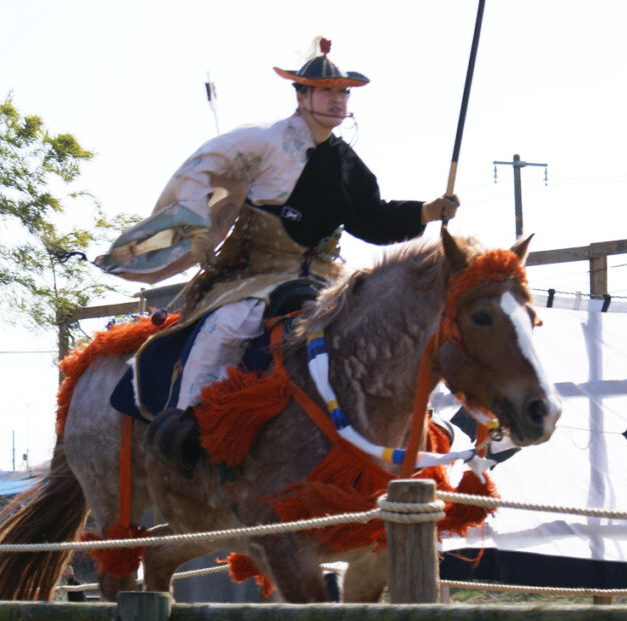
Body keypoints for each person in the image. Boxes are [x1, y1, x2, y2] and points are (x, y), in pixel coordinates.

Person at [95, 38, 459, 475]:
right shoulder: (263, 141)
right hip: (254, 274)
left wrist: (426, 212)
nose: (338, 100)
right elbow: (200, 169)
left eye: (343, 93)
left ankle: (414, 429)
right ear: (301, 96)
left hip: (323, 279)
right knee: (228, 327)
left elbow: (373, 220)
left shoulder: (349, 166)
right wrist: (196, 223)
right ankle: (189, 423)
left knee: (378, 327)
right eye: (326, 91)